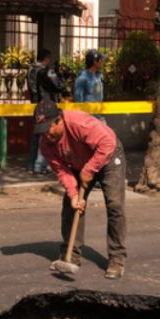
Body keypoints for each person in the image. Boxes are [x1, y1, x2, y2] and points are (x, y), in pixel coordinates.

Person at [35, 100, 128, 279]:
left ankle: (117, 259)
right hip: (79, 163)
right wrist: (73, 194)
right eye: (42, 131)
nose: (46, 135)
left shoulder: (79, 123)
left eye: (48, 129)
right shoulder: (46, 144)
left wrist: (89, 169)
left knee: (115, 205)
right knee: (72, 207)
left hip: (108, 156)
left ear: (59, 120)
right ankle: (71, 256)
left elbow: (107, 143)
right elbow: (62, 171)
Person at [27, 49, 58, 175]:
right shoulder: (44, 71)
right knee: (44, 135)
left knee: (36, 135)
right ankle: (39, 166)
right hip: (45, 105)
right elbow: (51, 87)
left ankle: (31, 164)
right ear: (46, 58)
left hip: (35, 104)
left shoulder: (30, 70)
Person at [74, 49, 106, 121]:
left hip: (99, 117)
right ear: (95, 62)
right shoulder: (82, 78)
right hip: (88, 119)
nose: (102, 62)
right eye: (101, 60)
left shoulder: (98, 76)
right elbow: (78, 101)